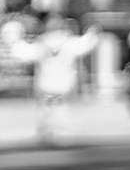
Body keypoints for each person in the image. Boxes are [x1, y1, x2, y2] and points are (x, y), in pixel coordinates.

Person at [15, 12, 101, 143]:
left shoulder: (42, 43)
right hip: (62, 85)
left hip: (46, 85)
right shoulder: (68, 42)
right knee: (60, 111)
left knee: (47, 112)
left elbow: (23, 52)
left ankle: (48, 133)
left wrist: (16, 40)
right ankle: (59, 133)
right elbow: (86, 43)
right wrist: (92, 33)